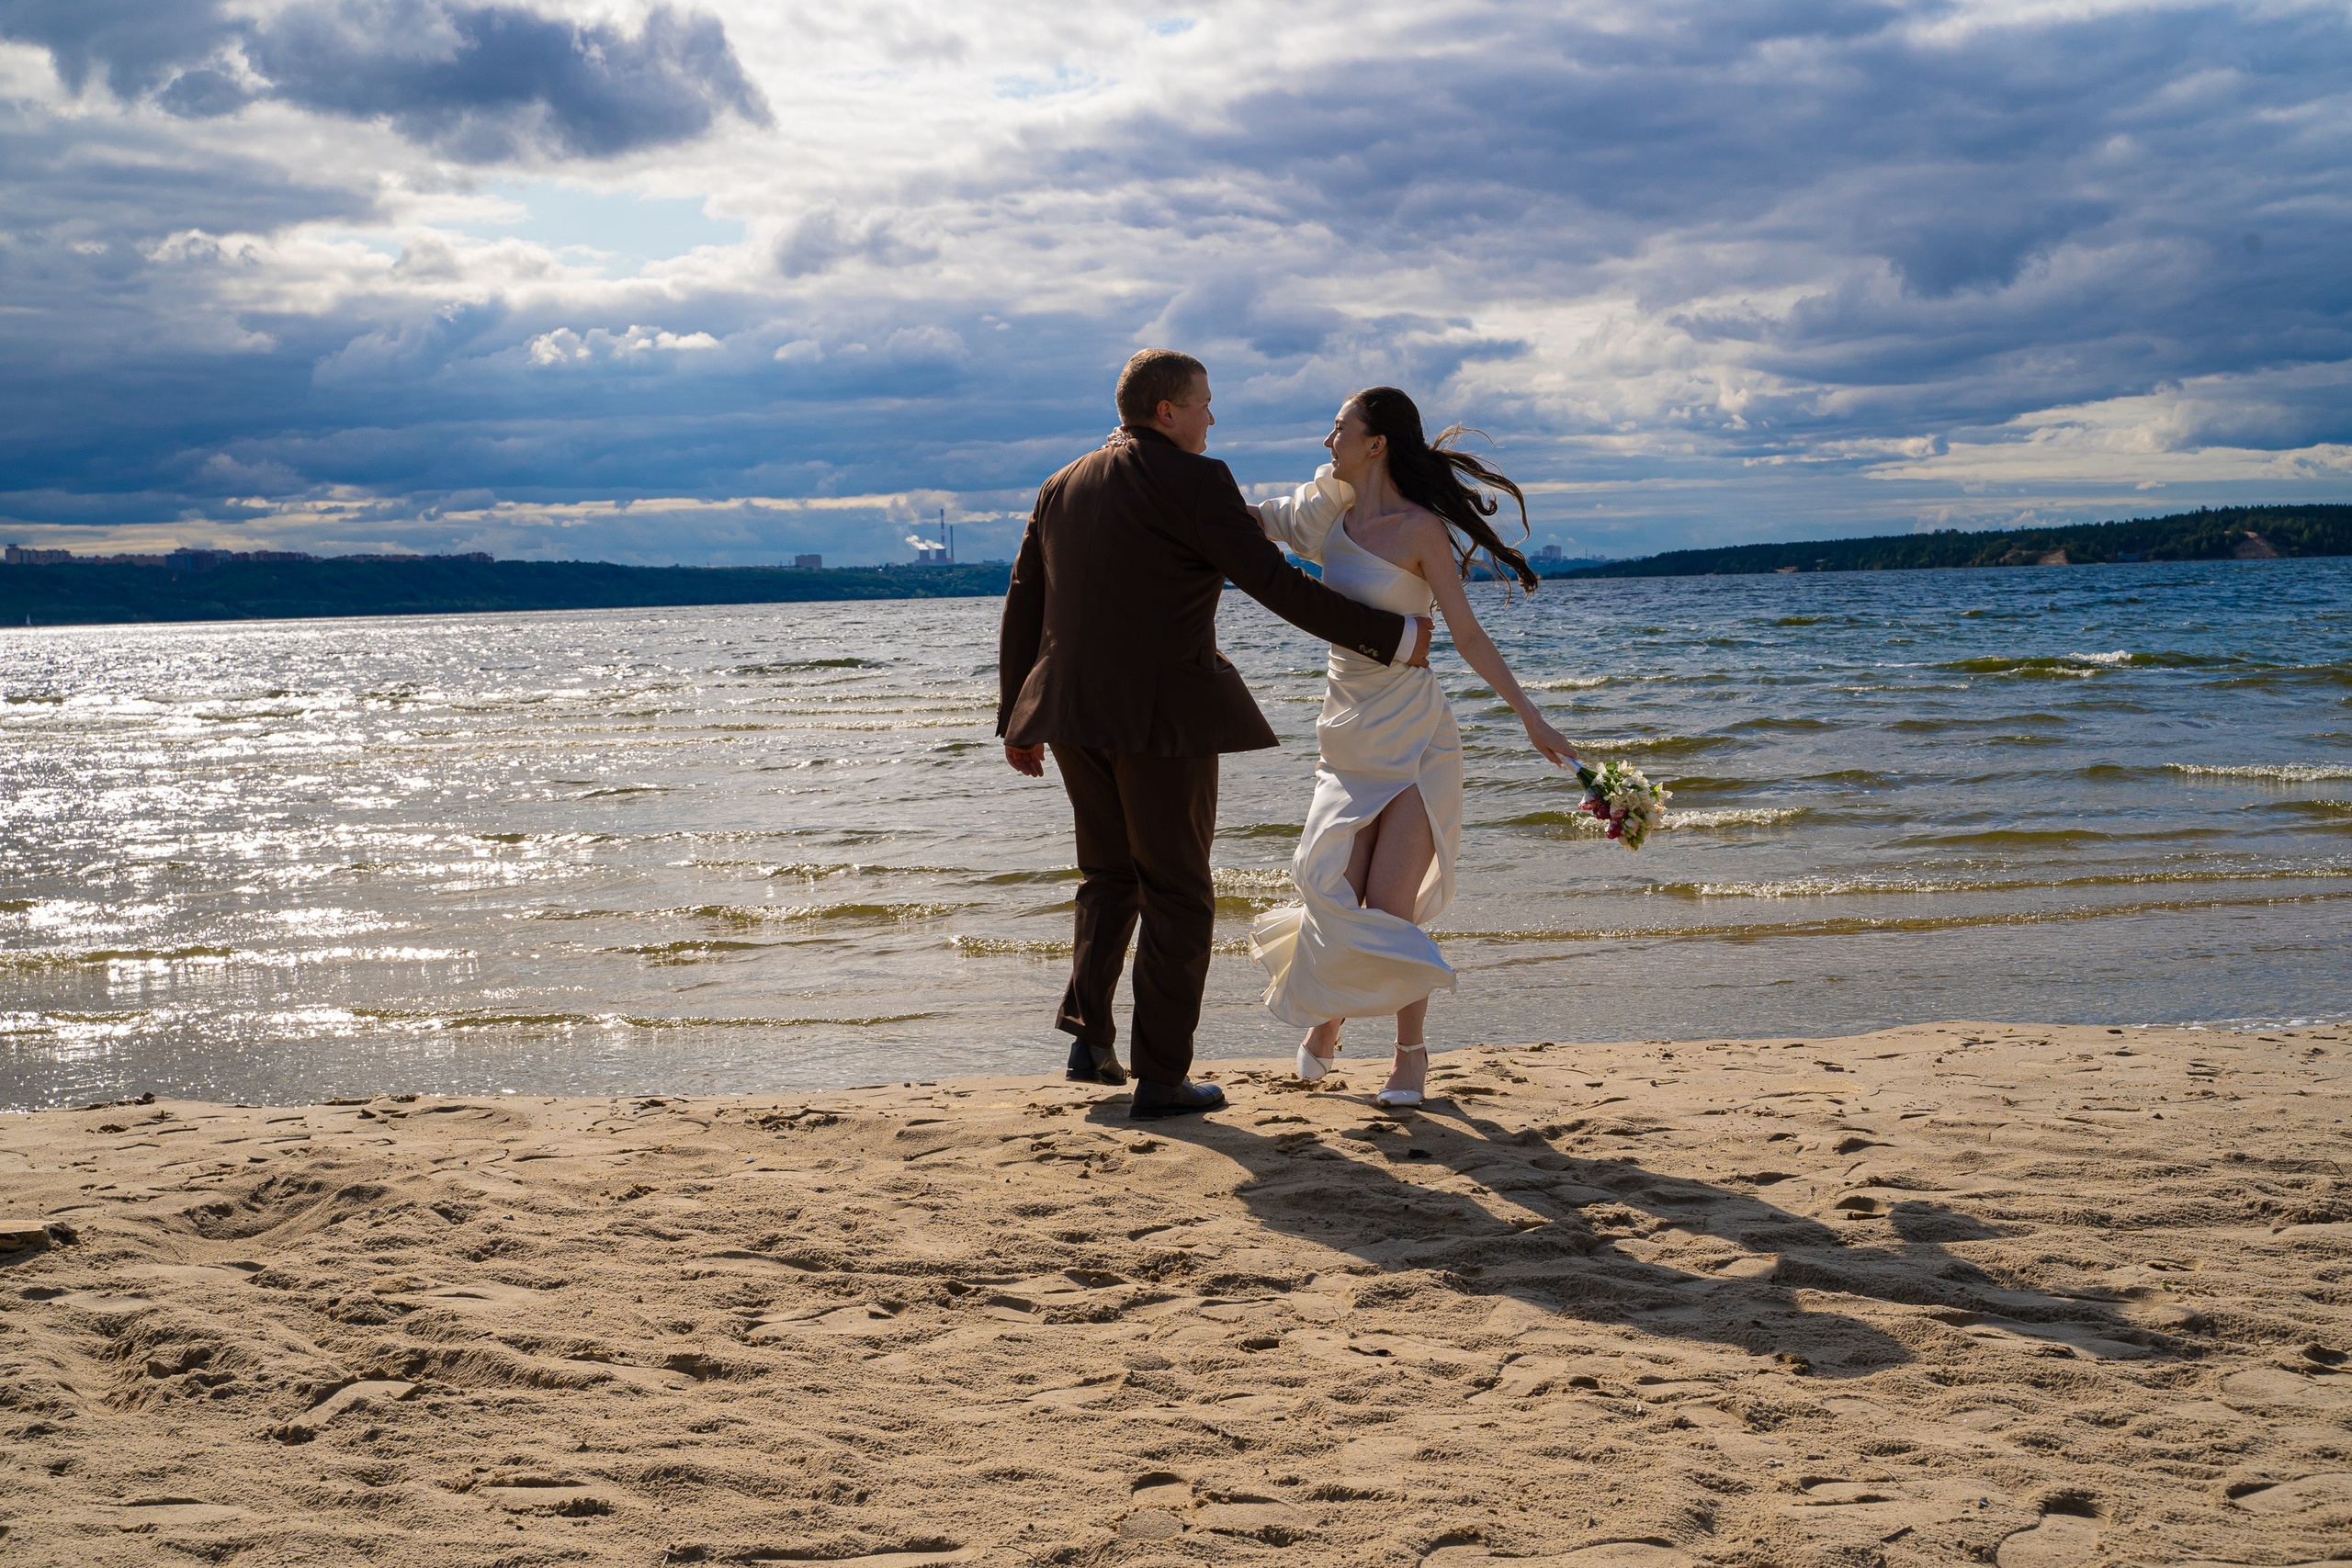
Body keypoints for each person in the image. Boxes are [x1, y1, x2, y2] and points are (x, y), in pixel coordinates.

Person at [996, 351, 1435, 1120]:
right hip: (1162, 718)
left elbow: (1023, 602)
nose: (1211, 418)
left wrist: (1014, 717)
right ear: (1167, 411)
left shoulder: (1060, 483)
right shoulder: (1198, 482)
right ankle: (1162, 1077)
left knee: (1108, 875)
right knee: (1178, 891)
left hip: (1069, 714)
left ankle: (1090, 1039)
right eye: (1203, 404)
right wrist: (1392, 638)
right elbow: (1278, 585)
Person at [1249, 387, 1576, 1107]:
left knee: (1389, 904)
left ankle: (1411, 1057)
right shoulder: (1325, 509)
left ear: (1377, 443)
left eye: (1341, 427)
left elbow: (1466, 636)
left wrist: (1530, 716)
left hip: (1414, 737)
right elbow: (1248, 523)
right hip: (1345, 735)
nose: (1327, 436)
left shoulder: (1420, 528)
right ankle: (1329, 1018)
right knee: (1328, 885)